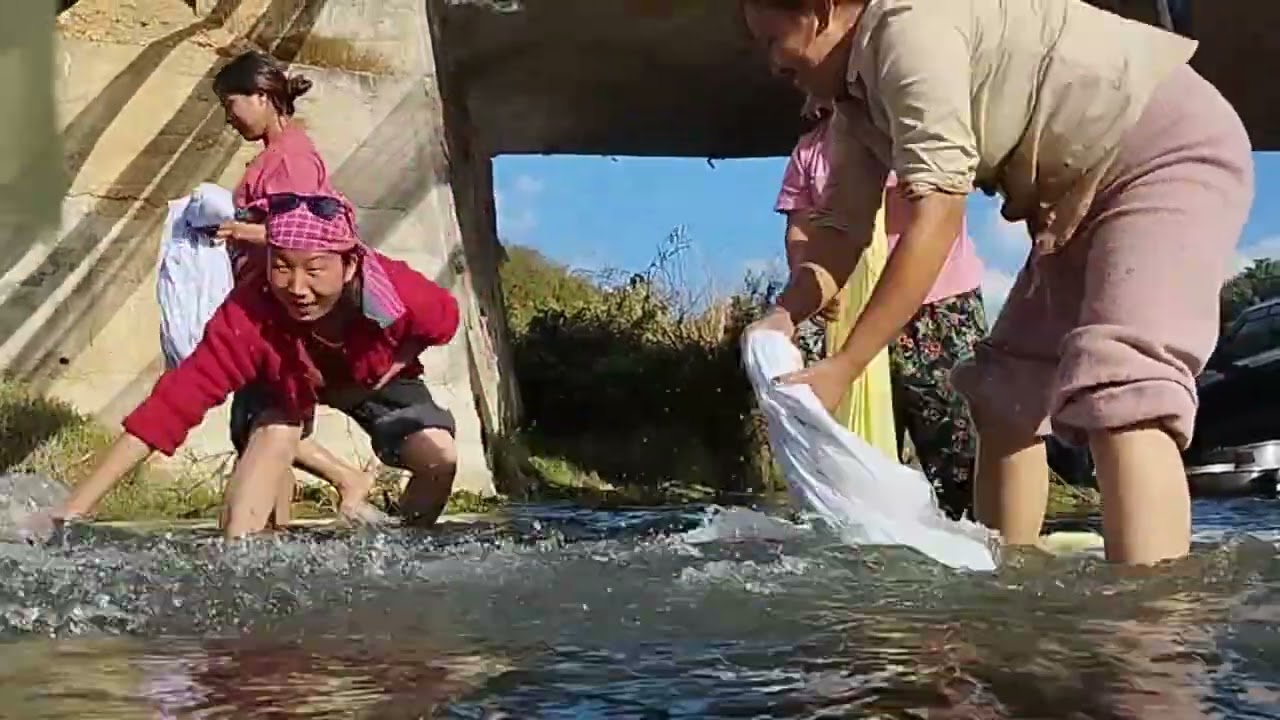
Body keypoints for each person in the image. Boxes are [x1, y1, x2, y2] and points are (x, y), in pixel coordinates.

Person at [740, 0, 1253, 565]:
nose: (769, 64)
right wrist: (783, 314)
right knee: (1004, 393)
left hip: (1161, 156)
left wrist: (846, 366)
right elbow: (841, 232)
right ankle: (1009, 585)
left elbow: (936, 220)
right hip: (1071, 195)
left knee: (1123, 384)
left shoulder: (908, 32)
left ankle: (1149, 627)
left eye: (770, 41)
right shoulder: (854, 106)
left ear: (820, 11)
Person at [43, 192, 461, 539]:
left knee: (440, 457)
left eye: (315, 270)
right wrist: (73, 510)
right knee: (273, 434)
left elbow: (445, 318)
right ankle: (239, 563)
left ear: (349, 264)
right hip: (288, 383)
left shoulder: (397, 290)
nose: (297, 289)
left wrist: (394, 363)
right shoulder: (249, 313)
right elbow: (168, 409)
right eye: (281, 267)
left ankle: (406, 545)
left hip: (369, 376)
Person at [775, 102, 987, 519]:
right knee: (841, 441)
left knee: (956, 444)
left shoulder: (913, 127)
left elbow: (952, 188)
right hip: (847, 315)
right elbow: (800, 229)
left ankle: (975, 535)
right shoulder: (809, 153)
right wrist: (809, 278)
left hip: (937, 308)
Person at [210, 50, 378, 524]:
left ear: (262, 97)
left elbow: (315, 241)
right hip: (266, 297)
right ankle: (272, 533)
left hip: (278, 306)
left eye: (232, 106)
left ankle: (342, 480)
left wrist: (240, 230)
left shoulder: (291, 160)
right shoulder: (277, 156)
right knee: (266, 423)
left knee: (263, 420)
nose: (229, 119)